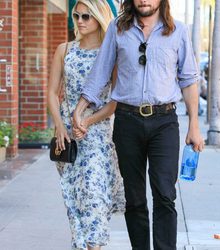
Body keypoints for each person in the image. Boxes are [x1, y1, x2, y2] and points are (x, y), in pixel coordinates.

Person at [73, 0, 204, 249]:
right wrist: (79, 109)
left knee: (165, 194)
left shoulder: (179, 31)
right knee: (134, 198)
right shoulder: (117, 29)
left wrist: (194, 127)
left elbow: (189, 79)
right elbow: (100, 73)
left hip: (164, 121)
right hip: (127, 121)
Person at [47, 1, 125, 250]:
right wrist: (59, 126)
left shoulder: (109, 53)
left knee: (93, 197)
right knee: (74, 200)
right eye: (76, 15)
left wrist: (89, 121)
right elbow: (51, 92)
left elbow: (115, 101)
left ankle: (93, 247)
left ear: (100, 18)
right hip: (67, 139)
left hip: (97, 136)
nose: (79, 21)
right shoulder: (64, 49)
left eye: (86, 16)